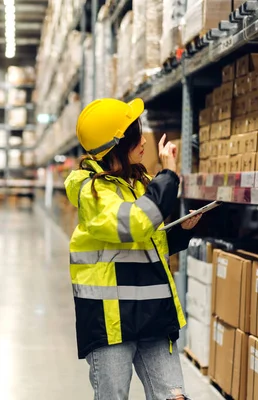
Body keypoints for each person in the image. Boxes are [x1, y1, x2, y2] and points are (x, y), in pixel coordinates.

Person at [64, 98, 201, 400]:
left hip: (153, 313)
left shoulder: (140, 183)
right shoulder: (94, 192)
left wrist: (180, 231)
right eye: (135, 135)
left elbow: (148, 241)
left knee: (173, 396)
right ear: (115, 145)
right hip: (111, 320)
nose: (143, 141)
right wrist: (169, 175)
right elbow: (135, 224)